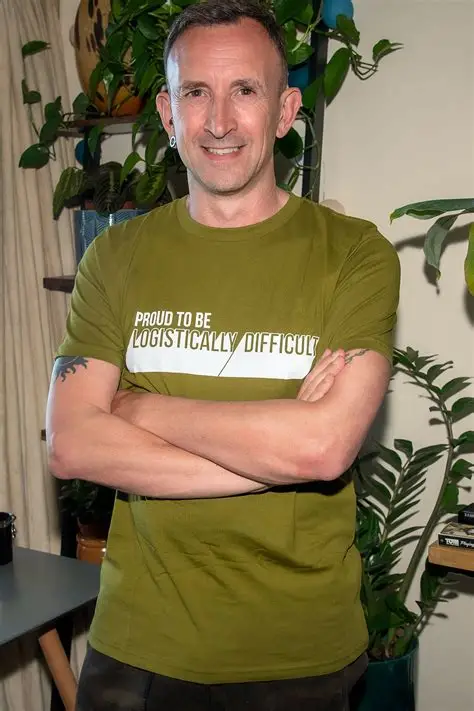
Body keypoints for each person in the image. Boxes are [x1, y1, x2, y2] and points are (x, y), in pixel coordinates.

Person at [46, 1, 400, 709]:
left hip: (297, 653)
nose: (218, 121)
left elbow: (324, 447)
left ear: (285, 110)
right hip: (139, 649)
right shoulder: (115, 256)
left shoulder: (355, 255)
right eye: (195, 92)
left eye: (245, 90)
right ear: (168, 113)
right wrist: (276, 451)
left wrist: (140, 409)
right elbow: (74, 443)